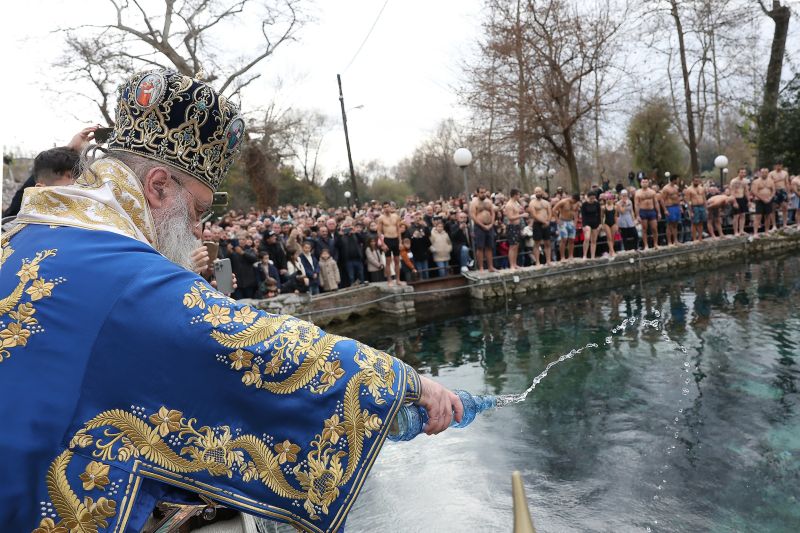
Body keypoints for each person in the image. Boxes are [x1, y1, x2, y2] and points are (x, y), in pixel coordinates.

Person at [0, 69, 461, 533]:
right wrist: (404, 383)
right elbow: (252, 341)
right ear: (158, 186)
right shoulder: (124, 269)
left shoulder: (22, 235)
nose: (197, 230)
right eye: (198, 210)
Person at [470, 186, 496, 272]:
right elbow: (473, 216)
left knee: (489, 247)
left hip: (489, 226)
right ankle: (481, 267)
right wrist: (482, 225)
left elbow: (492, 213)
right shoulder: (474, 203)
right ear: (477, 193)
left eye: (484, 192)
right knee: (480, 247)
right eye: (481, 192)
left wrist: (491, 224)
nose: (483, 194)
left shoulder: (489, 201)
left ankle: (490, 267)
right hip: (479, 227)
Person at [377, 201, 403, 286]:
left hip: (395, 239)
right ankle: (389, 280)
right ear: (383, 208)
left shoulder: (396, 216)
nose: (386, 208)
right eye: (384, 207)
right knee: (388, 261)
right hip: (387, 240)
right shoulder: (381, 218)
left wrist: (400, 242)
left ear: (390, 207)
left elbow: (399, 230)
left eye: (387, 206)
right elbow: (379, 232)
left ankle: (398, 280)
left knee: (397, 261)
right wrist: (383, 243)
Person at [528, 187, 552, 266]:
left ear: (542, 192)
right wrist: (544, 221)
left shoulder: (546, 202)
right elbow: (534, 215)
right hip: (537, 224)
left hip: (546, 224)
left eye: (539, 191)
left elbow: (549, 212)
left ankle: (548, 261)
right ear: (534, 193)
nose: (538, 193)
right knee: (537, 243)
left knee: (547, 242)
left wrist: (547, 221)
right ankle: (537, 262)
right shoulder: (532, 203)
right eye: (536, 192)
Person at [503, 188, 525, 270]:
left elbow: (518, 211)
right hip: (511, 227)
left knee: (516, 246)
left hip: (517, 226)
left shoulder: (516, 203)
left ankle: (515, 264)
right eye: (519, 194)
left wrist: (521, 211)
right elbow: (510, 217)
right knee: (512, 246)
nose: (519, 196)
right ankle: (511, 265)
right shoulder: (509, 205)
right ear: (515, 195)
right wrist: (521, 215)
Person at [635, 178, 660, 250]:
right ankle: (646, 245)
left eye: (646, 182)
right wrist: (637, 215)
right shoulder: (638, 192)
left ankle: (655, 243)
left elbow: (656, 202)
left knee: (654, 228)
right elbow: (636, 204)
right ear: (641, 183)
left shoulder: (652, 192)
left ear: (648, 183)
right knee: (644, 229)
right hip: (643, 211)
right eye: (643, 182)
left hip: (651, 211)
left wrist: (658, 213)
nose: (645, 183)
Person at [554, 193, 580, 261]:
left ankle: (571, 256)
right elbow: (553, 210)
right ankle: (562, 257)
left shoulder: (576, 203)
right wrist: (557, 220)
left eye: (575, 202)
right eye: (573, 201)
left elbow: (576, 212)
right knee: (564, 239)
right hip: (563, 221)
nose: (573, 202)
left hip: (571, 221)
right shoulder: (563, 202)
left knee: (571, 239)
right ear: (572, 198)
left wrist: (575, 221)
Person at [751, 168, 775, 237]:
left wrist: (770, 198)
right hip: (759, 200)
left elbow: (773, 190)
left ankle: (766, 231)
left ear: (768, 173)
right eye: (763, 172)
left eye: (766, 172)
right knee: (758, 216)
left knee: (767, 216)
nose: (764, 174)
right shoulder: (756, 181)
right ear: (760, 173)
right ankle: (755, 233)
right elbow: (754, 191)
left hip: (768, 200)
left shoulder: (771, 181)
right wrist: (763, 199)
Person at [685, 176, 708, 242]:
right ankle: (694, 238)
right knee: (694, 223)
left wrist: (706, 209)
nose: (696, 182)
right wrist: (690, 211)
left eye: (697, 181)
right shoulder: (689, 189)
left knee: (701, 222)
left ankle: (700, 238)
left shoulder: (701, 188)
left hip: (701, 206)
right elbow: (688, 201)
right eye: (695, 181)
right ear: (692, 181)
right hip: (694, 207)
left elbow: (704, 198)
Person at [661, 174, 681, 246]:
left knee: (675, 224)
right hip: (669, 207)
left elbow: (678, 197)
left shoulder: (676, 187)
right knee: (669, 225)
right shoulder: (666, 188)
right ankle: (669, 241)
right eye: (677, 179)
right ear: (674, 179)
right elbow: (662, 200)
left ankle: (675, 240)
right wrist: (665, 210)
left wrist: (680, 207)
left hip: (676, 207)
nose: (678, 180)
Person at [580, 190, 602, 259]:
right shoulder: (584, 204)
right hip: (586, 222)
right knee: (587, 238)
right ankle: (585, 255)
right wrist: (583, 225)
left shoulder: (597, 204)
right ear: (588, 197)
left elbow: (599, 214)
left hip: (595, 222)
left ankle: (592, 256)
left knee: (594, 240)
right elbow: (583, 216)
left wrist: (600, 223)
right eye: (591, 198)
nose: (592, 200)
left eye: (593, 198)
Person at [768, 162, 790, 228]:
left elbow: (787, 183)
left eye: (780, 165)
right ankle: (774, 225)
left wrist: (788, 193)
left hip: (783, 190)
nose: (779, 166)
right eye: (777, 165)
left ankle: (785, 224)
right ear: (775, 166)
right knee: (773, 208)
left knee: (785, 207)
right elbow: (769, 183)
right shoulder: (771, 173)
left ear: (782, 165)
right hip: (775, 190)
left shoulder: (785, 173)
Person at [729, 168, 750, 236]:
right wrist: (734, 202)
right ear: (738, 173)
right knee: (736, 216)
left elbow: (746, 191)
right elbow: (732, 192)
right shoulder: (734, 181)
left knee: (743, 215)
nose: (743, 174)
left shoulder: (745, 181)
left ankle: (741, 230)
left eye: (744, 172)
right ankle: (735, 231)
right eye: (741, 172)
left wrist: (748, 200)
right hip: (736, 198)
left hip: (742, 198)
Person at [600, 193, 617, 257]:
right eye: (607, 199)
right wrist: (602, 224)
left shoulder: (615, 207)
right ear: (605, 200)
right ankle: (612, 251)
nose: (608, 200)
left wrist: (616, 224)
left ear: (612, 199)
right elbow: (601, 217)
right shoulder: (603, 207)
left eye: (610, 199)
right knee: (609, 238)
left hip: (613, 223)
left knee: (612, 238)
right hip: (606, 223)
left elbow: (615, 216)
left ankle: (610, 251)